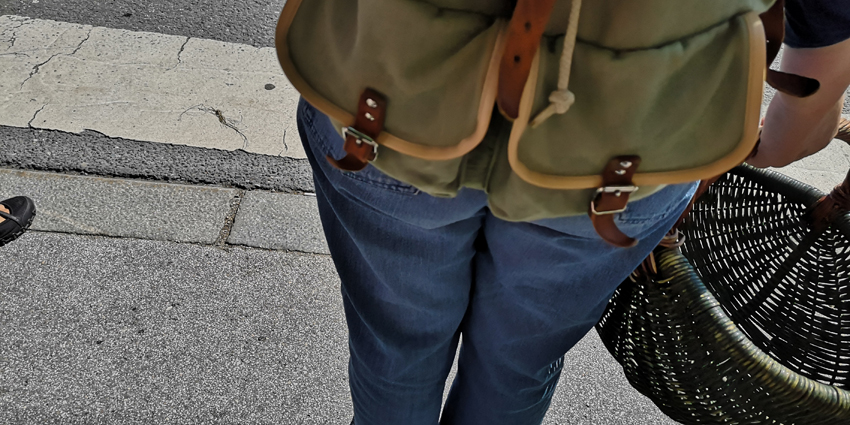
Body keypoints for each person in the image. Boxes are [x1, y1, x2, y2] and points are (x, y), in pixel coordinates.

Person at [294, 2, 848, 424]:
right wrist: (772, 140)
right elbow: (815, 75)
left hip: (388, 109)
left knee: (394, 344)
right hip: (627, 152)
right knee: (516, 364)